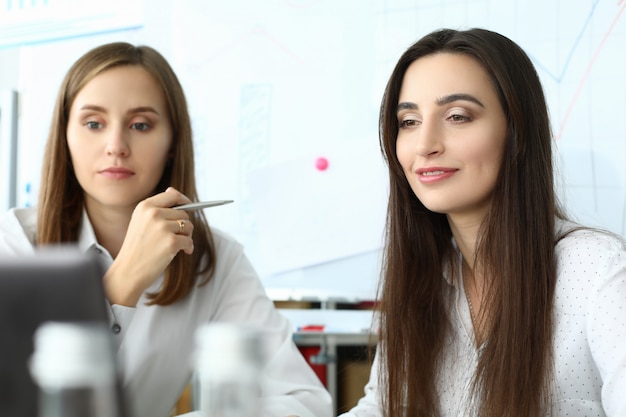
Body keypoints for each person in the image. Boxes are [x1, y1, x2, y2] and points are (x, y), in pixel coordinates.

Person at [0, 42, 332, 417]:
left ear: (173, 142)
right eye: (94, 123)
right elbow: (22, 402)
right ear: (65, 136)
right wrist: (124, 279)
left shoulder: (214, 259)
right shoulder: (13, 243)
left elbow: (303, 400)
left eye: (140, 125)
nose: (116, 146)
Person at [340, 28, 626, 417]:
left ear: (516, 131)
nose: (425, 144)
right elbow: (382, 407)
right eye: (408, 121)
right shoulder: (427, 280)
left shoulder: (597, 269)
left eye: (457, 116)